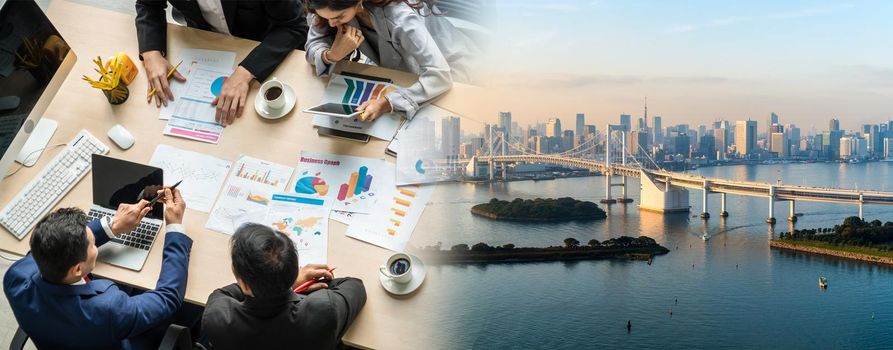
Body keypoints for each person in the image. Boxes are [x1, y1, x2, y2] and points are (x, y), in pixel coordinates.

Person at [3, 188, 196, 349]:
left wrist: (112, 226)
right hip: (120, 338)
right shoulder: (108, 308)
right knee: (191, 308)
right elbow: (168, 297)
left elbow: (42, 247)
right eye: (93, 244)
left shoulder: (16, 276)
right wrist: (174, 228)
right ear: (77, 269)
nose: (95, 244)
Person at [135, 0, 310, 126]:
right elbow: (148, 4)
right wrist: (151, 52)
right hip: (205, 41)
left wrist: (245, 73)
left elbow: (294, 26)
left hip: (261, 45)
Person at [304, 0, 479, 122]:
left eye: (339, 17)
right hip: (405, 77)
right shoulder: (329, 9)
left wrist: (387, 103)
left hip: (454, 72)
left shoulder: (400, 17)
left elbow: (440, 75)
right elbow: (313, 44)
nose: (332, 24)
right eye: (327, 18)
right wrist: (331, 55)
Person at [202, 223, 366, 349]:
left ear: (244, 284)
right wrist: (286, 283)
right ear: (295, 270)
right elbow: (355, 286)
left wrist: (281, 283)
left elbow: (227, 294)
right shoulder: (322, 312)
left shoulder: (217, 317)